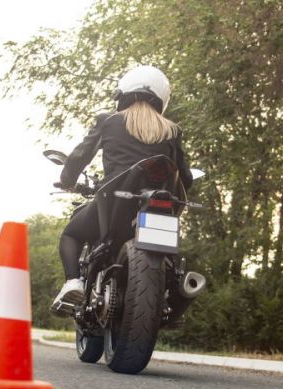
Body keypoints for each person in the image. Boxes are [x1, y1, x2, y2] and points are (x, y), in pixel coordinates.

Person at [50, 65, 193, 316]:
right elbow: (186, 178)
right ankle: (176, 291)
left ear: (124, 92)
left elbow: (79, 157)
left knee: (71, 234)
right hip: (159, 207)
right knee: (173, 262)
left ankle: (73, 282)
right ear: (161, 99)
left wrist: (67, 178)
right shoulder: (172, 130)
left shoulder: (109, 121)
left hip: (114, 203)